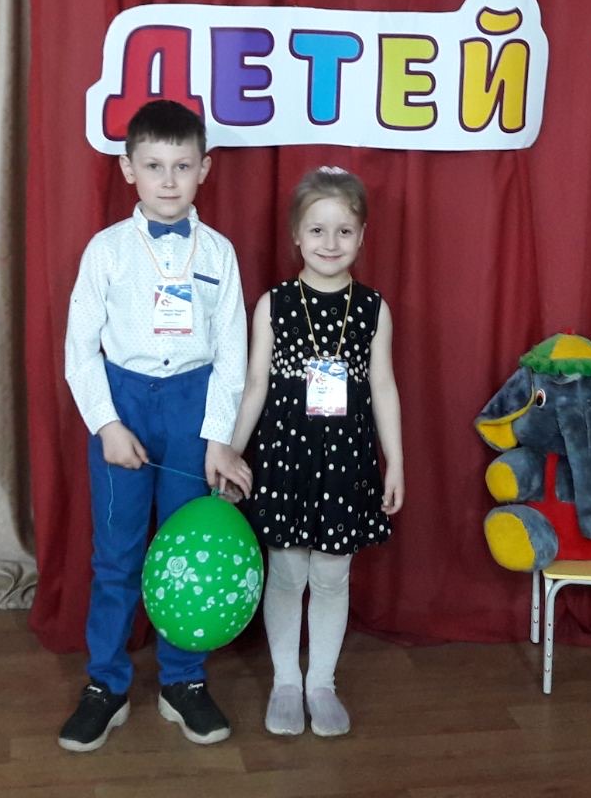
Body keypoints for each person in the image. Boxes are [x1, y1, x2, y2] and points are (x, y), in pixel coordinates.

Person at [57, 99, 253, 753]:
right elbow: (79, 348)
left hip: (192, 410)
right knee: (116, 554)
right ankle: (106, 684)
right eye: (154, 166)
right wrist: (107, 424)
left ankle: (183, 680)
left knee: (187, 554)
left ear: (205, 169)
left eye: (182, 166)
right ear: (128, 169)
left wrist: (219, 438)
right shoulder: (107, 251)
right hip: (124, 407)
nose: (169, 180)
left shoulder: (219, 253)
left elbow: (233, 354)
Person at [230, 165, 404, 738]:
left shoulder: (373, 308)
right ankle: (285, 681)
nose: (331, 243)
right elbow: (254, 386)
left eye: (344, 231)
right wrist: (232, 453)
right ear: (296, 236)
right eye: (318, 230)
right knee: (285, 573)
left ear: (362, 235)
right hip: (285, 459)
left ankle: (321, 682)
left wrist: (395, 462)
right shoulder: (273, 304)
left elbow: (383, 387)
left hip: (345, 464)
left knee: (331, 574)